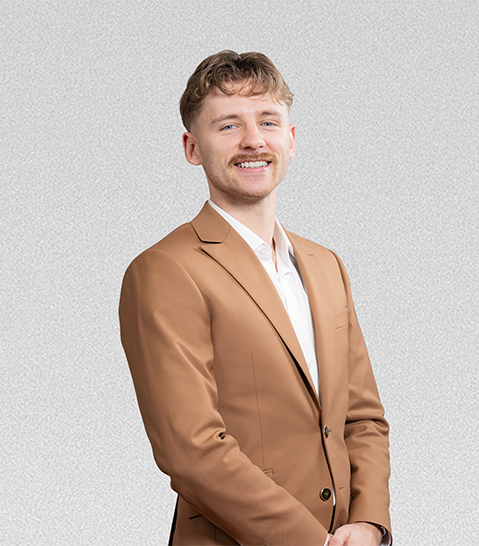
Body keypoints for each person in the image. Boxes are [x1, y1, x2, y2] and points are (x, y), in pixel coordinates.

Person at [119, 50, 391, 546]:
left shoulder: (326, 265)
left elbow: (362, 417)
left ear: (291, 139)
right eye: (228, 125)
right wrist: (312, 543)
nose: (253, 140)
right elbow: (191, 451)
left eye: (268, 121)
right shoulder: (165, 270)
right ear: (192, 147)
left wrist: (370, 523)